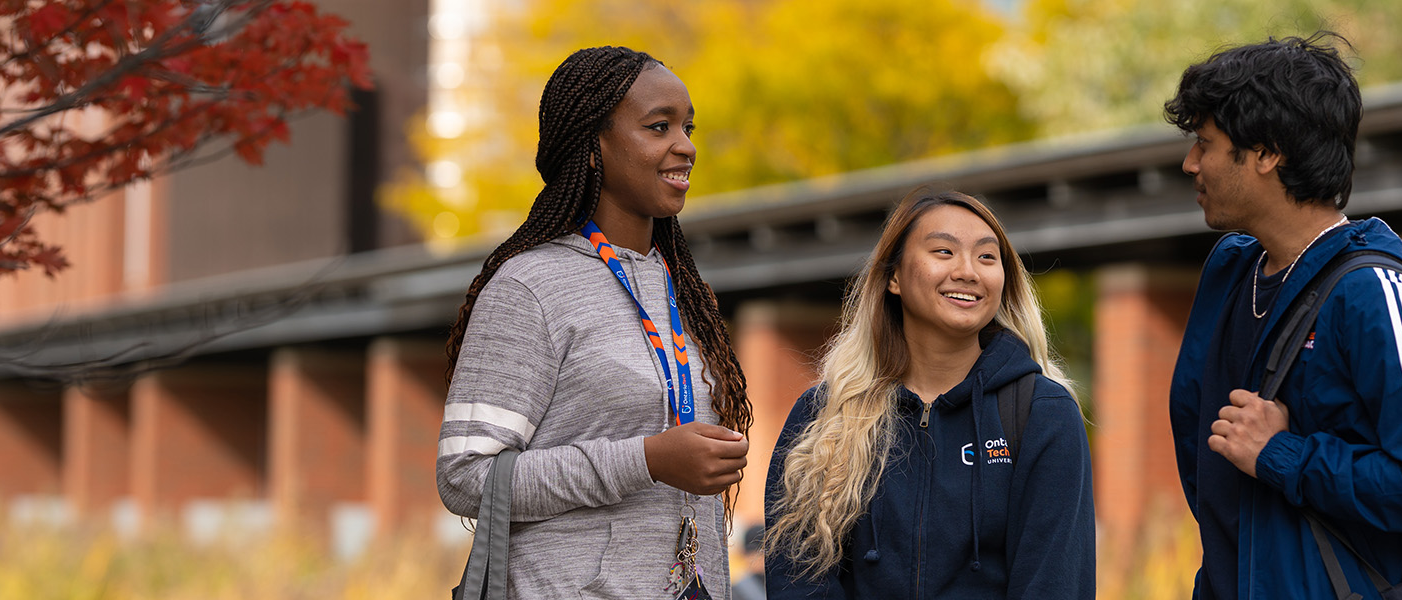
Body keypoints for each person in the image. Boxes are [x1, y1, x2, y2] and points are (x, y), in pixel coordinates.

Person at [1163, 33, 1402, 599]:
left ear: (1267, 153)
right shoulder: (1229, 271)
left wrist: (1283, 455)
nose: (1190, 162)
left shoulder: (1372, 292)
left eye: (1206, 143)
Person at [436, 46, 751, 599]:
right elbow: (465, 478)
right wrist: (646, 460)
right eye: (659, 127)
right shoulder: (528, 288)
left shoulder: (683, 289)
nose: (686, 146)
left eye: (688, 126)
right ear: (592, 146)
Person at [763, 190, 1097, 598]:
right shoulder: (824, 414)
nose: (968, 271)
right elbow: (797, 581)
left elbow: (1054, 583)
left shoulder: (1043, 413)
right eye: (944, 251)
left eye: (987, 257)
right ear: (894, 277)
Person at [732, 524, 768, 600]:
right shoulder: (737, 590)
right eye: (751, 552)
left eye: (761, 553)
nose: (757, 558)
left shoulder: (781, 583)